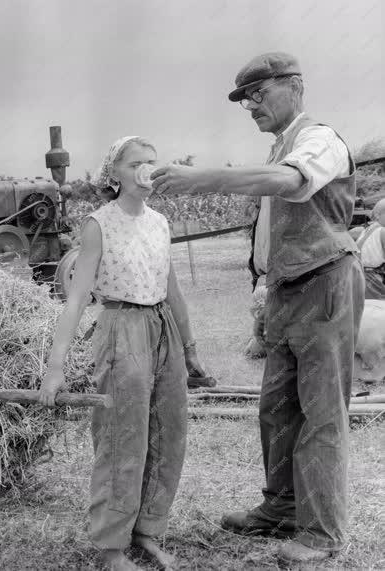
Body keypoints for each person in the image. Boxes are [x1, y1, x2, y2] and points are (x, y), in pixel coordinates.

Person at [151, 52, 365, 565]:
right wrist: (266, 292)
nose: (250, 105)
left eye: (258, 93)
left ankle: (320, 534)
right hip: (288, 290)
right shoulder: (279, 145)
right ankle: (282, 508)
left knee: (321, 415)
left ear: (295, 86)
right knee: (277, 408)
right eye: (244, 98)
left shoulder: (319, 139)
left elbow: (291, 182)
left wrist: (202, 178)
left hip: (326, 282)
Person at [39, 136, 205, 570]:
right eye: (135, 164)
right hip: (120, 327)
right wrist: (54, 368)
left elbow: (171, 287)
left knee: (167, 431)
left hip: (161, 325)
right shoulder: (99, 223)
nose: (146, 170)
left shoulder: (160, 222)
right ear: (114, 174)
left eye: (152, 162)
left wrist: (189, 349)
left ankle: (146, 531)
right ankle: (112, 547)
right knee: (120, 436)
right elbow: (76, 299)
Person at [352, 198, 385, 299]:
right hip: (372, 279)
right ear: (378, 215)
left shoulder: (367, 229)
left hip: (358, 276)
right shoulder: (382, 231)